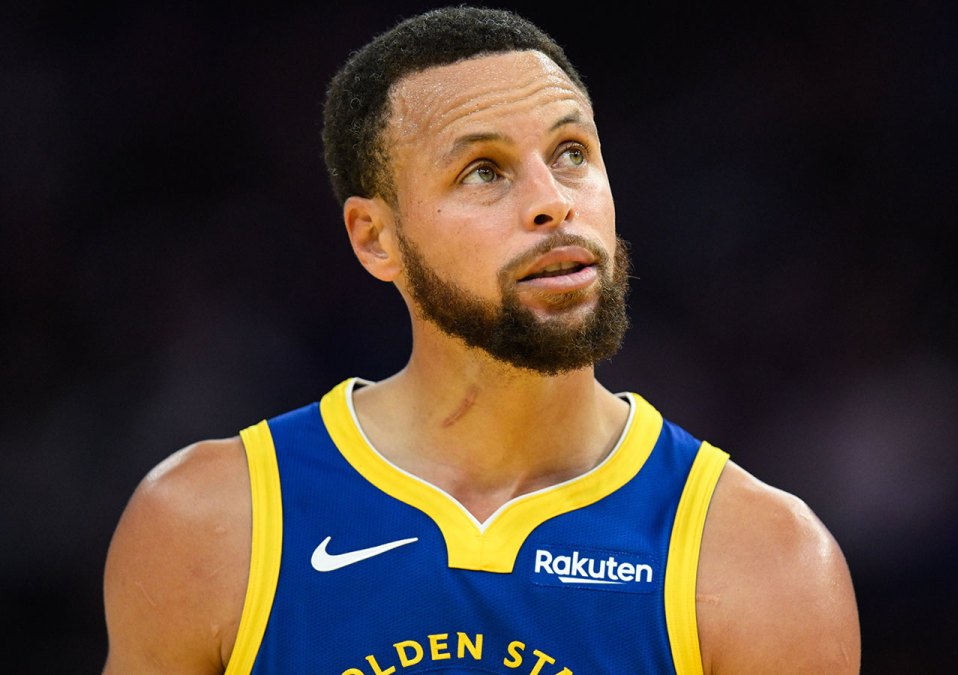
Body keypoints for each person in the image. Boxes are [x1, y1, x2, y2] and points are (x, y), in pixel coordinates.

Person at [101, 6, 861, 674]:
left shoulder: (764, 563)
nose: (552, 203)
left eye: (571, 153)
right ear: (376, 240)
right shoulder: (208, 524)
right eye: (483, 171)